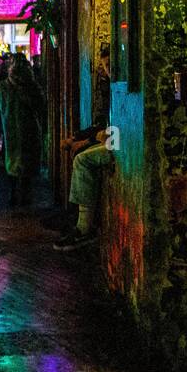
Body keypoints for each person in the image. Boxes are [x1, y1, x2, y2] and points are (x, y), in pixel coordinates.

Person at [54, 44, 114, 250]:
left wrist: (84, 140)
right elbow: (102, 125)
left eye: (110, 64)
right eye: (106, 65)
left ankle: (84, 227)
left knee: (82, 158)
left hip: (119, 146)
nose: (108, 69)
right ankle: (80, 221)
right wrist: (77, 138)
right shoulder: (109, 87)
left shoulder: (115, 88)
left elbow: (110, 130)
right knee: (79, 153)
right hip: (112, 141)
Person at [0, 53, 45, 205]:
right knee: (27, 162)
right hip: (28, 126)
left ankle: (13, 194)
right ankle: (25, 195)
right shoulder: (31, 85)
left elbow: (0, 107)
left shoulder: (3, 86)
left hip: (10, 127)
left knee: (11, 160)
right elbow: (40, 105)